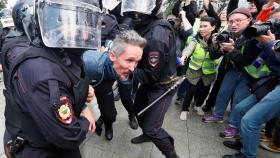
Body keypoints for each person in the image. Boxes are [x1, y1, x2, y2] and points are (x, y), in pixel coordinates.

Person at [2, 0, 101, 157]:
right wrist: (86, 119)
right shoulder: (41, 71)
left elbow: (69, 77)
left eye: (84, 21)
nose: (82, 31)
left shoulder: (62, 51)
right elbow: (69, 136)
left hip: (50, 131)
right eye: (68, 21)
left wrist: (80, 97)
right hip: (41, 148)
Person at [121, 0, 178, 157]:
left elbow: (151, 74)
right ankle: (147, 135)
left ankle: (172, 154)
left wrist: (125, 69)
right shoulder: (143, 23)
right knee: (137, 112)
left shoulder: (156, 36)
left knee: (153, 128)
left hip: (162, 86)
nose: (134, 14)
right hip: (149, 81)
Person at [83, 30, 146, 141]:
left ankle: (125, 118)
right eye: (129, 60)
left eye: (137, 62)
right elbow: (67, 74)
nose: (133, 68)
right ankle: (107, 122)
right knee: (108, 112)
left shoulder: (127, 69)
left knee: (123, 101)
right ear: (112, 56)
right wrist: (83, 86)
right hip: (100, 79)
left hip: (117, 74)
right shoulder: (91, 63)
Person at [179, 16, 220, 120]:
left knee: (204, 92)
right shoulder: (195, 39)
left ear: (213, 27)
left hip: (208, 74)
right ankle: (185, 110)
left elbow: (217, 54)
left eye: (205, 26)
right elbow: (189, 48)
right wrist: (184, 56)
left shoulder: (218, 41)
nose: (202, 29)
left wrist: (215, 43)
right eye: (200, 26)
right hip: (194, 71)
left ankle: (198, 106)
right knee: (190, 91)